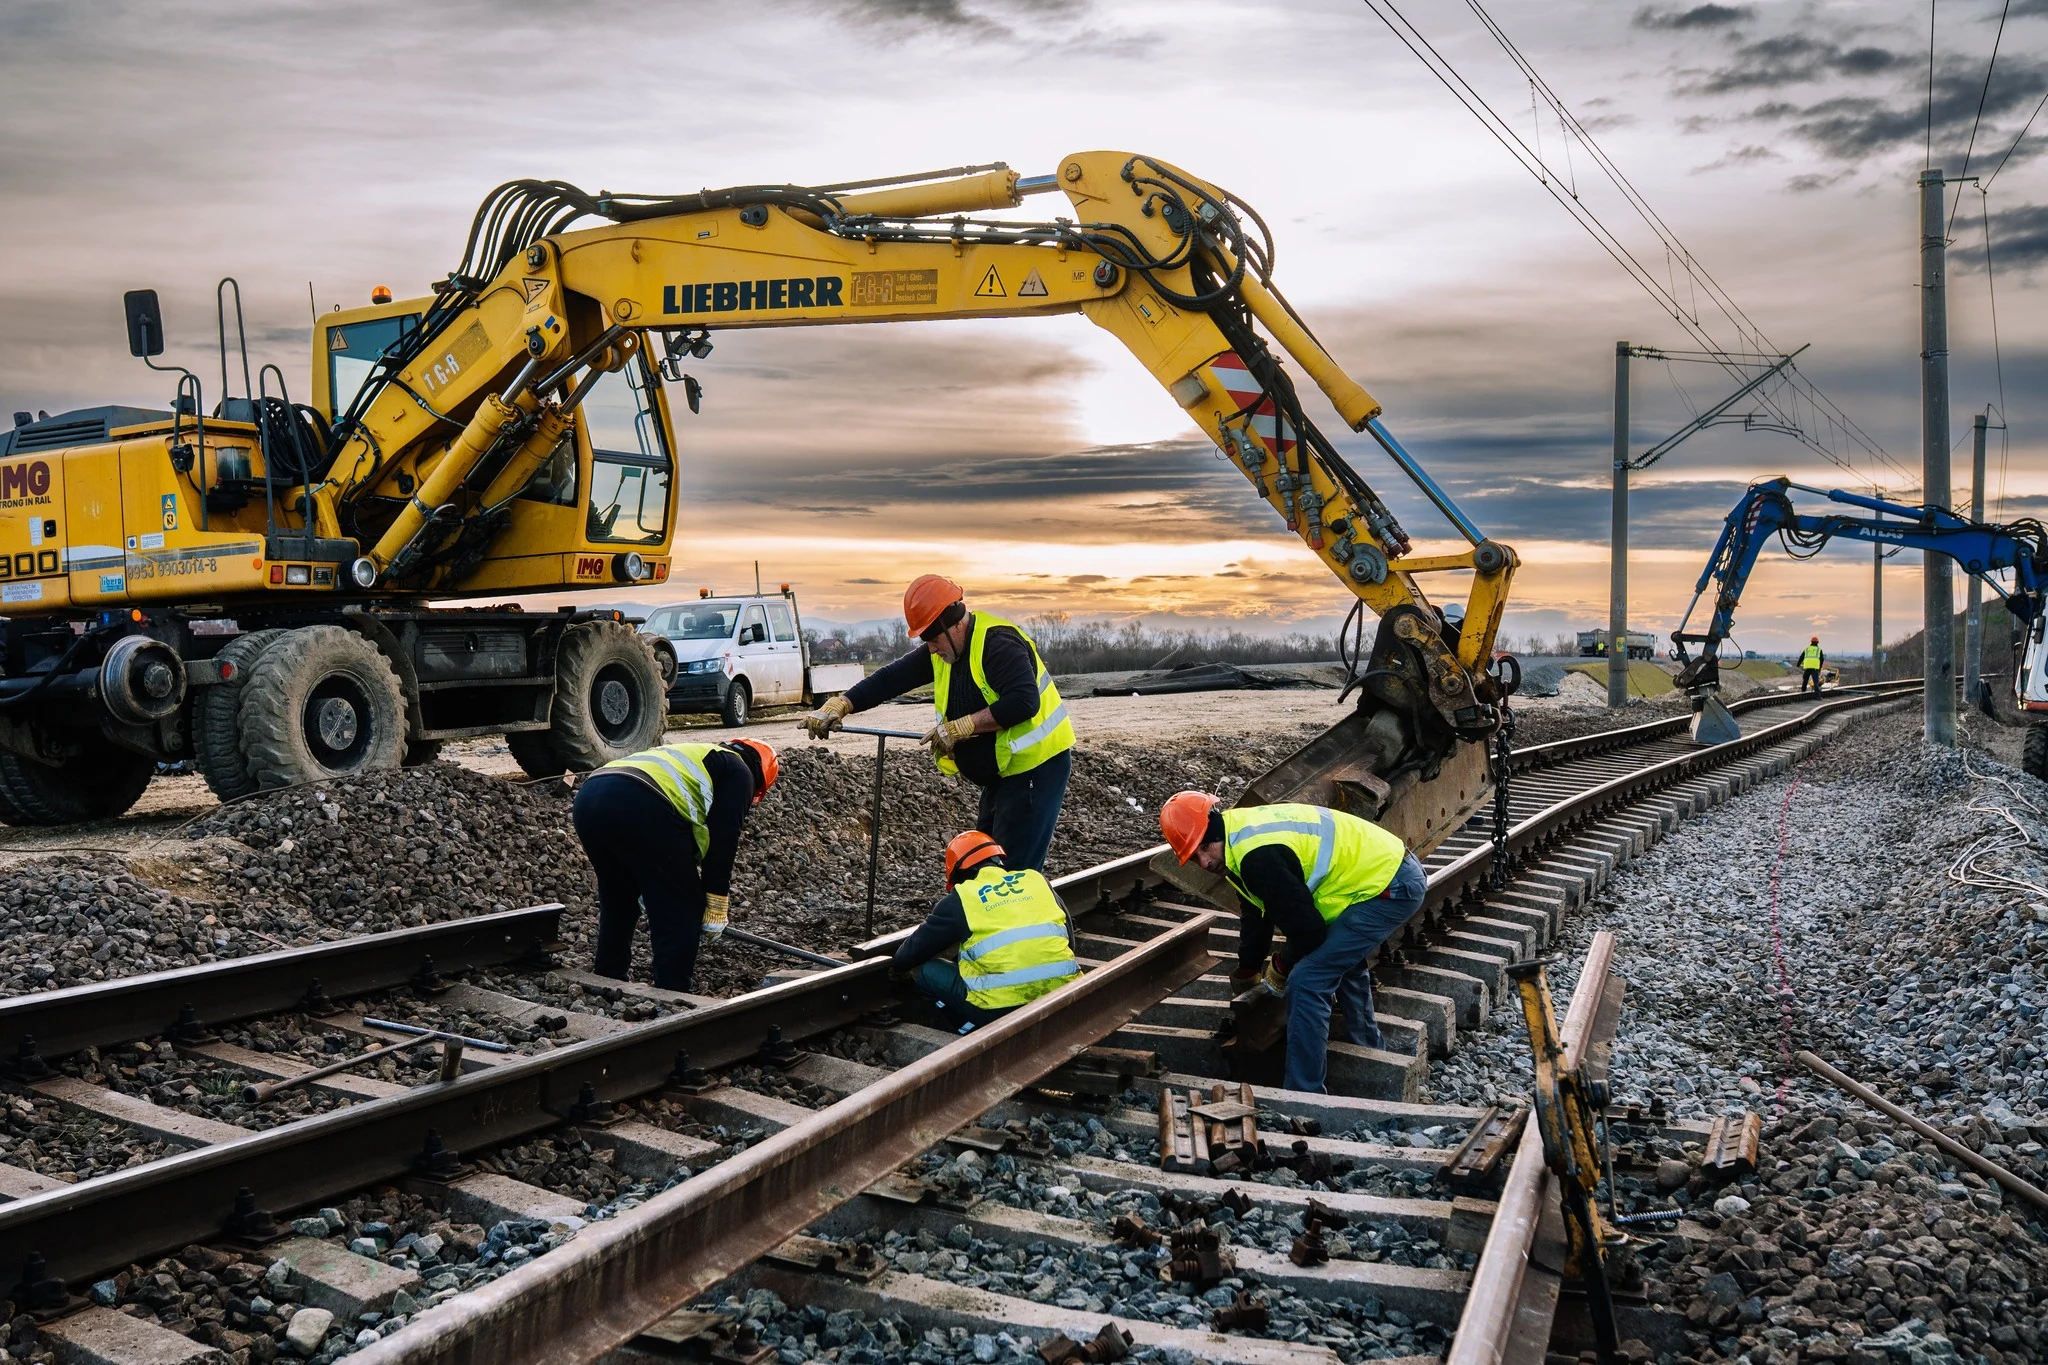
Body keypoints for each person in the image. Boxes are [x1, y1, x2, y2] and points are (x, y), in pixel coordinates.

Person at [1160, 791, 1428, 1095]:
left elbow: (1308, 932)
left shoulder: (1255, 855)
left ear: (1215, 827)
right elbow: (1256, 910)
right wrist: (1248, 969)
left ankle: (1304, 1093)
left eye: (1206, 847)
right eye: (1194, 856)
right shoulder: (1235, 838)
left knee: (1308, 979)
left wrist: (1280, 968)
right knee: (1339, 959)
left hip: (1390, 886)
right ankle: (1369, 1047)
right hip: (1383, 873)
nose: (1205, 861)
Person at [805, 575, 1074, 872]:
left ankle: (1031, 915)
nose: (931, 649)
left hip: (1037, 768)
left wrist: (963, 726)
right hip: (1005, 772)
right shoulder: (945, 648)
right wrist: (842, 704)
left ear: (953, 624)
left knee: (1013, 874)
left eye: (933, 640)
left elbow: (1024, 702)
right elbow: (891, 678)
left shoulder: (998, 644)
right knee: (984, 864)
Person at [570, 737, 778, 993]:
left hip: (589, 799)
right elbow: (723, 840)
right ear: (760, 777)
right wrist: (715, 900)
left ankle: (607, 976)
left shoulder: (696, 754)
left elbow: (680, 837)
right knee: (681, 906)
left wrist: (654, 882)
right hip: (639, 801)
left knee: (619, 896)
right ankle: (672, 992)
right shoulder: (739, 771)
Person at [890, 831, 1080, 1031]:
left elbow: (904, 958)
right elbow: (1070, 942)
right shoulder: (1036, 880)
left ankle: (968, 1030)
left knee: (925, 971)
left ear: (960, 874)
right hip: (1064, 995)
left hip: (1000, 1009)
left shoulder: (962, 897)